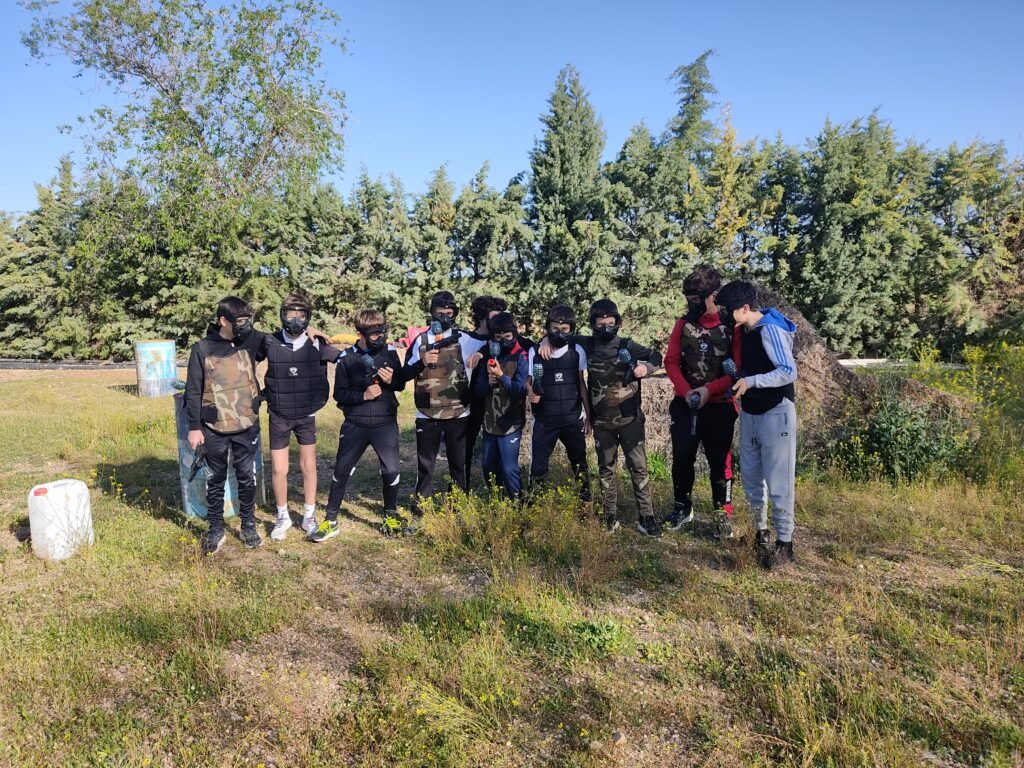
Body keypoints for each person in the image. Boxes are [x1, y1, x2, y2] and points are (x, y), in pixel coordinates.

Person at [541, 299, 663, 536]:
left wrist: (644, 369)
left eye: (611, 323)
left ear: (617, 322)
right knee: (606, 469)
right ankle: (610, 516)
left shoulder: (627, 345)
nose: (607, 328)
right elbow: (561, 334)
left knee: (639, 469)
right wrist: (545, 339)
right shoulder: (586, 344)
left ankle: (646, 518)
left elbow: (656, 356)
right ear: (593, 325)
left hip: (630, 420)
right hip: (602, 422)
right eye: (601, 324)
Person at [715, 280, 799, 568]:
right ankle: (760, 534)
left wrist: (751, 381)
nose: (723, 315)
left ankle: (785, 545)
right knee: (751, 479)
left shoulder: (770, 329)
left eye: (727, 310)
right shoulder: (747, 330)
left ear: (745, 308)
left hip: (776, 412)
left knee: (779, 482)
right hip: (750, 412)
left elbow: (788, 371)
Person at [310, 309, 408, 542]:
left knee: (392, 470)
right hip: (355, 423)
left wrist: (390, 381)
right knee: (342, 471)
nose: (380, 338)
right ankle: (331, 520)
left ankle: (390, 516)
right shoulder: (347, 358)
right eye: (374, 334)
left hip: (385, 423)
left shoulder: (391, 353)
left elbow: (401, 385)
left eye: (383, 332)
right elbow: (340, 395)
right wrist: (363, 395)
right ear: (360, 334)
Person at [183, 297, 268, 555]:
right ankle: (216, 528)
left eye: (248, 320)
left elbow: (280, 342)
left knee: (246, 476)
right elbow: (193, 390)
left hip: (246, 423)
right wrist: (194, 426)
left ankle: (248, 525)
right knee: (215, 479)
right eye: (240, 321)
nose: (245, 326)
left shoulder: (251, 340)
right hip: (213, 426)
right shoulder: (202, 348)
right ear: (223, 321)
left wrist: (309, 332)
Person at [663, 265, 741, 539]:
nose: (692, 305)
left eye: (697, 299)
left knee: (720, 460)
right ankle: (682, 507)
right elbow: (671, 362)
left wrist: (709, 390)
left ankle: (723, 512)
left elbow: (737, 371)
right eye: (689, 299)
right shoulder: (683, 325)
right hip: (685, 404)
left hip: (719, 406)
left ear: (714, 294)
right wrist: (686, 392)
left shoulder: (732, 327)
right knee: (682, 456)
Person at [262, 294, 342, 541]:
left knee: (308, 466)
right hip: (279, 414)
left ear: (308, 318)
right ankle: (282, 515)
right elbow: (239, 350)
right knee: (279, 468)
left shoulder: (316, 343)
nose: (295, 320)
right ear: (282, 315)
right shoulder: (268, 342)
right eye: (290, 314)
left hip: (306, 414)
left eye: (302, 315)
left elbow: (348, 359)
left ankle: (309, 515)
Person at [402, 291, 486, 523]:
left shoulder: (466, 339)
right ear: (432, 313)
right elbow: (403, 375)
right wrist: (422, 361)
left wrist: (481, 352)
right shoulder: (420, 340)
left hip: (458, 412)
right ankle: (421, 505)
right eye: (440, 314)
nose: (445, 318)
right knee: (425, 464)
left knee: (458, 464)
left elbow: (499, 342)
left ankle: (457, 504)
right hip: (426, 412)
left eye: (450, 314)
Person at [527, 304, 593, 511]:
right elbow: (528, 382)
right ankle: (534, 508)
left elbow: (582, 384)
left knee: (580, 464)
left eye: (565, 330)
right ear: (547, 327)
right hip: (545, 422)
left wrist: (589, 417)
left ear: (572, 329)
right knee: (538, 468)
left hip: (573, 420)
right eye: (554, 328)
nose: (559, 333)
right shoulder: (535, 351)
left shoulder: (577, 351)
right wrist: (530, 394)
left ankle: (586, 506)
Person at [474, 311, 529, 499]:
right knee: (489, 466)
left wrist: (501, 376)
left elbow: (520, 390)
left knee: (509, 467)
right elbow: (478, 391)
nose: (503, 342)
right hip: (490, 422)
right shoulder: (488, 356)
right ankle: (497, 503)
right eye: (498, 338)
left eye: (507, 337)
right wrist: (488, 382)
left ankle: (519, 503)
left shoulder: (521, 356)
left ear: (514, 334)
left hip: (511, 421)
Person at [465, 295, 508, 482]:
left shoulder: (503, 339)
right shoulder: (464, 340)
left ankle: (498, 489)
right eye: (493, 317)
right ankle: (460, 488)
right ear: (481, 317)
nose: (497, 322)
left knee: (496, 451)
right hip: (470, 403)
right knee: (465, 447)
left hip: (498, 403)